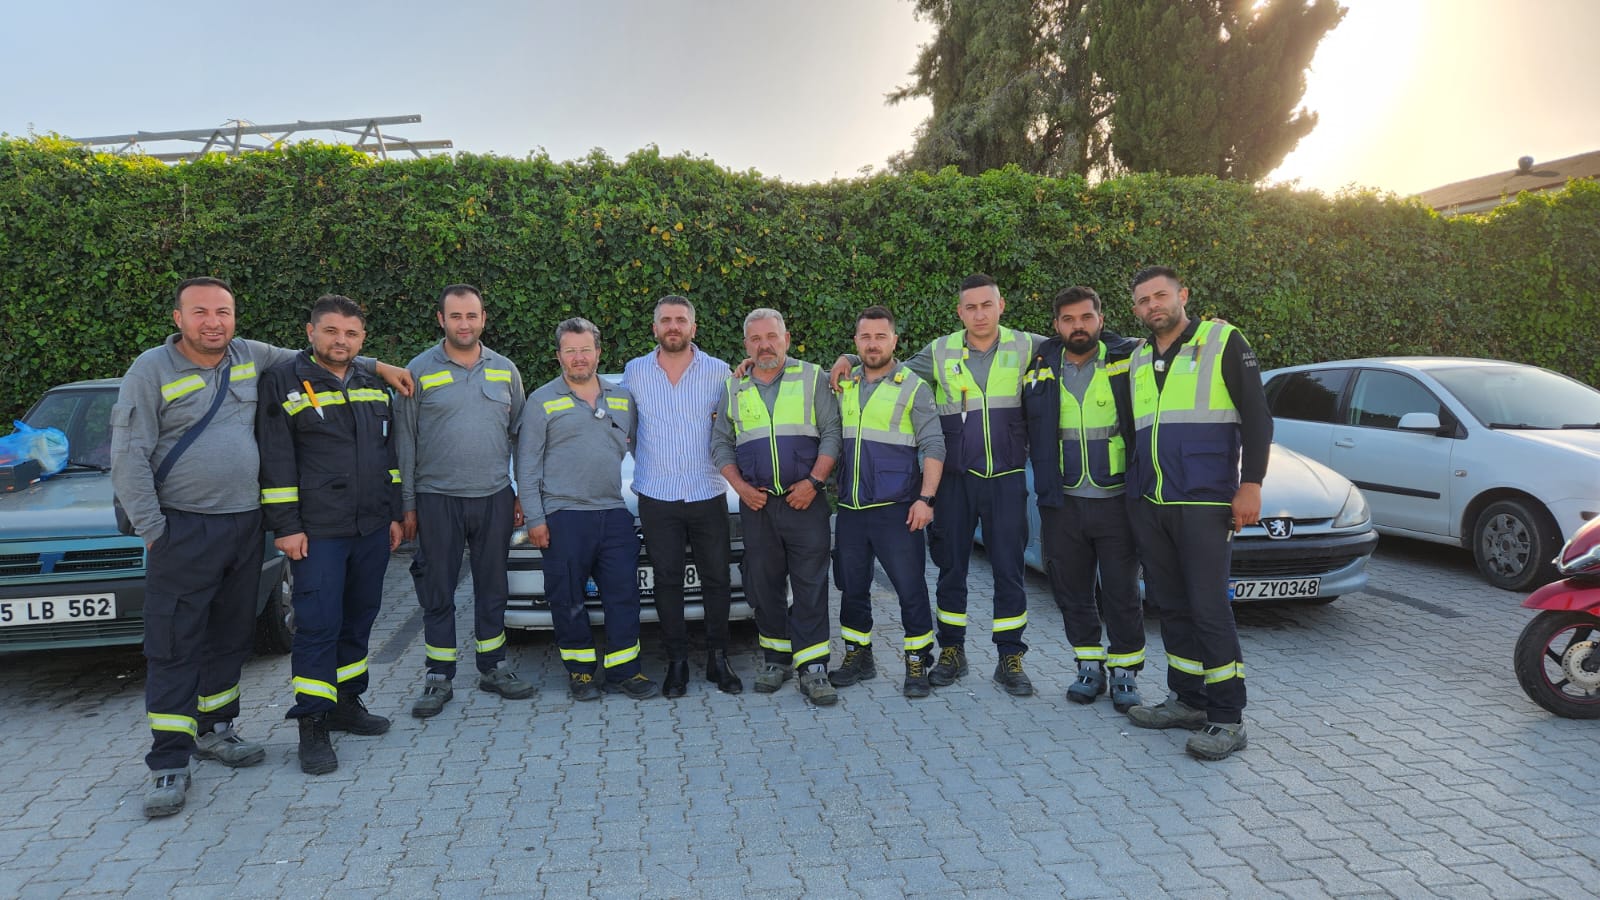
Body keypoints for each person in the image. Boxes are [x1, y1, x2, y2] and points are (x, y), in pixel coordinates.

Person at [112, 276, 411, 818]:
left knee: (231, 635)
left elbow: (333, 354)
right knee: (176, 641)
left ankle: (218, 730)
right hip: (184, 526)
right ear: (178, 318)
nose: (213, 322)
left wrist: (380, 366)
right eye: (200, 312)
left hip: (245, 525)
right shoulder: (151, 370)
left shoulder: (250, 356)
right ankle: (170, 761)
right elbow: (129, 456)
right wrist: (153, 529)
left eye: (222, 312)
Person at [828, 274, 1042, 697]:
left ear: (1001, 306)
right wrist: (848, 359)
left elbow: (1079, 340)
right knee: (951, 569)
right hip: (956, 481)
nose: (979, 315)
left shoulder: (1027, 345)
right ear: (959, 312)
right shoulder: (940, 351)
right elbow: (888, 368)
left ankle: (1010, 658)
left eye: (986, 305)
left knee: (1009, 571)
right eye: (970, 307)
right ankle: (952, 653)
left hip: (1006, 477)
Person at [1121, 266, 1271, 761]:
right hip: (1153, 502)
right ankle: (1187, 700)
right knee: (1170, 605)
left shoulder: (1222, 340)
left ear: (1182, 295)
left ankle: (1228, 718)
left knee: (1209, 608)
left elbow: (1257, 416)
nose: (1153, 306)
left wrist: (1251, 483)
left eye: (1160, 295)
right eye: (1143, 300)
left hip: (1205, 500)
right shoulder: (1138, 358)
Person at [256, 295, 404, 775]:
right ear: (311, 332)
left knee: (359, 618)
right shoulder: (283, 381)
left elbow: (387, 458)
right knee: (318, 625)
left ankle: (345, 703)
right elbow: (276, 459)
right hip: (318, 532)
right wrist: (287, 527)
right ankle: (313, 723)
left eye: (351, 333)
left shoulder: (370, 382)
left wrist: (394, 514)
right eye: (332, 331)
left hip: (371, 526)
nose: (341, 340)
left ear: (362, 339)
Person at [395, 284, 535, 718]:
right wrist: (407, 504)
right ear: (441, 319)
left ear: (483, 319)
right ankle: (439, 675)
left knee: (493, 586)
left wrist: (520, 492)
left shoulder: (505, 370)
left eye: (471, 315)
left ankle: (493, 666)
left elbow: (520, 436)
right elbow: (404, 441)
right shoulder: (418, 370)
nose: (464, 324)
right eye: (455, 316)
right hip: (437, 498)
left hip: (494, 496)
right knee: (437, 588)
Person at [516, 318, 660, 701]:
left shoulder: (622, 398)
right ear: (558, 355)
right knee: (567, 598)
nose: (578, 358)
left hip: (613, 512)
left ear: (598, 352)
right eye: (570, 351)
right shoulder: (541, 400)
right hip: (563, 515)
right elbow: (527, 465)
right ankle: (580, 672)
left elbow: (644, 449)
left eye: (585, 350)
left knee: (624, 595)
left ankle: (624, 672)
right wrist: (535, 518)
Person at [1022, 286, 1146, 711]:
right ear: (1056, 325)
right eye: (1069, 319)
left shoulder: (1128, 357)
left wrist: (1209, 330)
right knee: (1072, 591)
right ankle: (1088, 666)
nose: (1079, 326)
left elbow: (1177, 344)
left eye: (1086, 317)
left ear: (1101, 319)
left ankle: (1125, 672)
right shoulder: (1039, 365)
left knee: (1121, 592)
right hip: (1062, 502)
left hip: (1116, 499)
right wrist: (851, 357)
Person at [712, 309, 841, 705]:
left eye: (771, 336)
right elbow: (720, 444)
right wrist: (740, 489)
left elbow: (832, 433)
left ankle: (813, 667)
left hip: (806, 501)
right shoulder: (733, 387)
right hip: (758, 504)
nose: (764, 345)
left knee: (810, 584)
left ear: (786, 339)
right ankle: (775, 659)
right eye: (755, 339)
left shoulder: (812, 376)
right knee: (763, 583)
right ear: (745, 345)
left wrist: (814, 482)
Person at [621, 295, 742, 698]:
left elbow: (733, 424)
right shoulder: (635, 372)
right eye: (666, 320)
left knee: (717, 579)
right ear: (654, 328)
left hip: (707, 491)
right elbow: (627, 428)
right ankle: (677, 663)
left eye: (681, 320)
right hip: (657, 494)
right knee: (667, 581)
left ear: (693, 327)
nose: (673, 326)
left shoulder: (718, 371)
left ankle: (718, 660)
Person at [826, 306, 945, 698]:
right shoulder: (842, 382)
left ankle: (917, 661)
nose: (873, 344)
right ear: (856, 341)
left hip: (897, 508)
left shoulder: (913, 386)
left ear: (895, 340)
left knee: (910, 588)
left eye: (881, 336)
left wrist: (926, 499)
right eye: (865, 337)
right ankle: (859, 656)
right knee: (852, 588)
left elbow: (934, 445)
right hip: (851, 509)